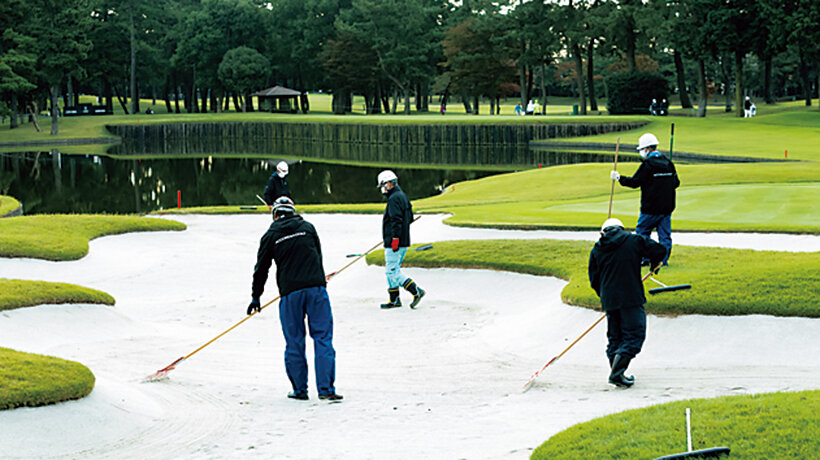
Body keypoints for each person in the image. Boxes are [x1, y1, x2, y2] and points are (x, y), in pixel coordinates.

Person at [248, 196, 342, 401]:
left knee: (294, 341)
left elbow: (261, 270)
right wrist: (319, 277)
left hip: (291, 294)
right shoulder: (308, 227)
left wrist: (256, 297)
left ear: (275, 214)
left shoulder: (270, 235)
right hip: (316, 290)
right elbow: (318, 255)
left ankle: (300, 390)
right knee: (323, 338)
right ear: (292, 211)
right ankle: (326, 389)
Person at [588, 218, 667, 388]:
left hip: (610, 299)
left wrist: (604, 295)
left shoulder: (597, 248)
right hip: (631, 296)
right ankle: (616, 374)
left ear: (603, 232)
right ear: (622, 228)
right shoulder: (633, 240)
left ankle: (617, 373)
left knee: (615, 337)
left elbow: (594, 279)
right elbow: (659, 250)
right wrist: (654, 264)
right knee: (634, 335)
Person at [610, 133, 679, 266]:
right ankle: (662, 261)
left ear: (647, 149)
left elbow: (635, 182)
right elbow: (676, 183)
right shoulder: (668, 163)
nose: (642, 152)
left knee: (642, 233)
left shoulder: (648, 164)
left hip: (650, 208)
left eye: (642, 149)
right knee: (664, 235)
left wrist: (619, 178)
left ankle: (645, 258)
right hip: (667, 208)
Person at [377, 170, 425, 309]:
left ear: (389, 183)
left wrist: (395, 238)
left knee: (391, 271)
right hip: (403, 241)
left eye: (383, 185)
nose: (382, 188)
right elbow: (409, 218)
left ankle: (416, 291)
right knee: (392, 268)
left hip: (395, 242)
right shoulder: (402, 196)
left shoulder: (393, 199)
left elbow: (396, 220)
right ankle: (394, 299)